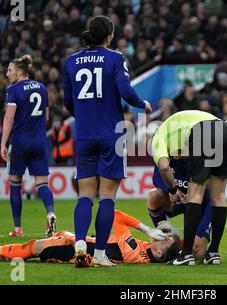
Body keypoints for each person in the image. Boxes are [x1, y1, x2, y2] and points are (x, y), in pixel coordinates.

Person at [63, 15, 152, 267]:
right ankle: (100, 254)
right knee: (108, 197)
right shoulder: (115, 58)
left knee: (85, 194)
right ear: (109, 35)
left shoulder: (71, 62)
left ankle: (80, 243)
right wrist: (141, 104)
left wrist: (83, 116)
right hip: (112, 135)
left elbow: (68, 101)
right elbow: (125, 91)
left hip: (85, 135)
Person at [152, 110, 227, 265]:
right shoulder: (175, 129)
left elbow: (164, 167)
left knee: (195, 194)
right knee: (218, 196)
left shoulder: (158, 139)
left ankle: (185, 255)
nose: (177, 157)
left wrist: (172, 190)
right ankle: (214, 253)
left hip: (203, 131)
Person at [0, 209, 179, 265]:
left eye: (164, 240)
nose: (162, 236)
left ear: (159, 252)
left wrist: (145, 229)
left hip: (75, 249)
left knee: (36, 246)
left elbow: (115, 215)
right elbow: (175, 250)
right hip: (82, 241)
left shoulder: (134, 250)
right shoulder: (147, 252)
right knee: (58, 235)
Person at [0, 54, 57, 238]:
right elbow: (46, 117)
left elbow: (9, 118)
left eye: (9, 70)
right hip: (40, 142)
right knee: (42, 183)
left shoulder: (14, 90)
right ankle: (50, 213)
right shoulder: (42, 88)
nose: (7, 73)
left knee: (15, 183)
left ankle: (17, 228)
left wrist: (3, 143)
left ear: (19, 71)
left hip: (20, 142)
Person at [148, 157, 212, 260]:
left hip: (197, 206)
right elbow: (156, 177)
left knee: (197, 253)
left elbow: (211, 201)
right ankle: (163, 232)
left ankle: (182, 242)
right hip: (174, 201)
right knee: (154, 195)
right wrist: (170, 190)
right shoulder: (164, 152)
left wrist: (200, 233)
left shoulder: (201, 159)